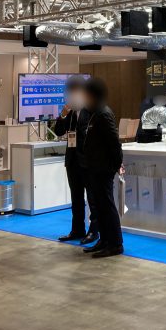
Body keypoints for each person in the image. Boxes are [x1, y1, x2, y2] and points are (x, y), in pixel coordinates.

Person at [81, 77, 124, 258]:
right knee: (99, 206)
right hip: (94, 168)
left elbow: (114, 143)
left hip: (103, 169)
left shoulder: (104, 114)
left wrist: (115, 165)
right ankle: (105, 240)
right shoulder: (94, 113)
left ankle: (115, 244)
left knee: (107, 206)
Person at [53, 75, 98, 245]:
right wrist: (62, 115)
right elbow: (58, 131)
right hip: (72, 162)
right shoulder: (70, 111)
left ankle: (94, 231)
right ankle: (77, 229)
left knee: (92, 199)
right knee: (76, 198)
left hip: (89, 162)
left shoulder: (93, 110)